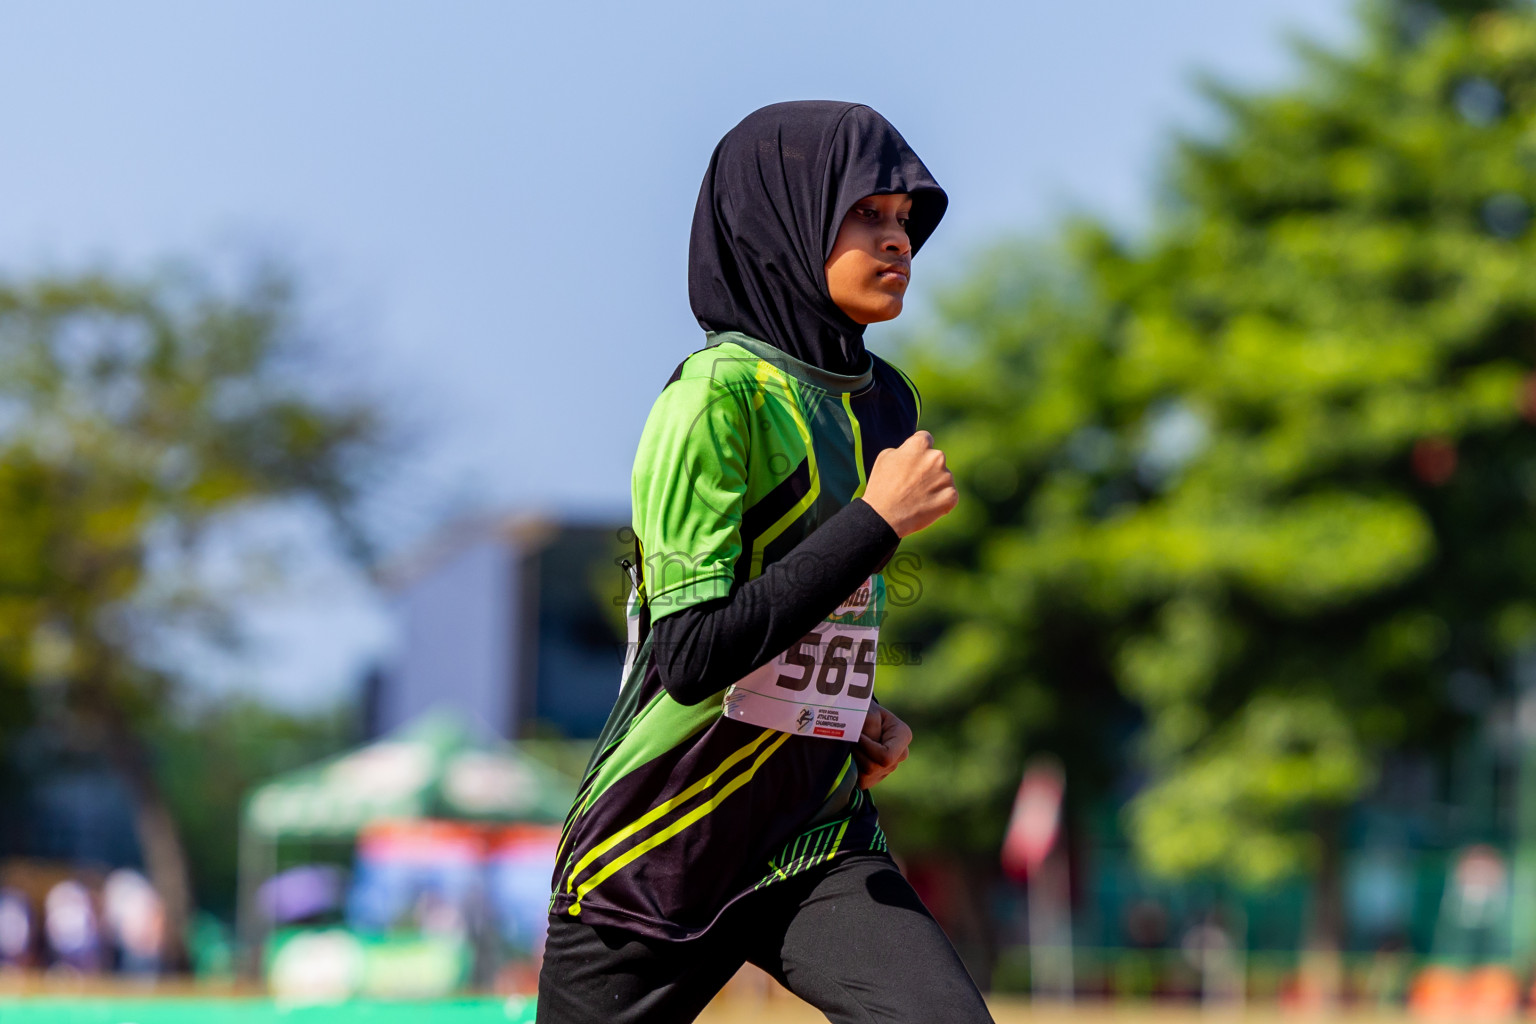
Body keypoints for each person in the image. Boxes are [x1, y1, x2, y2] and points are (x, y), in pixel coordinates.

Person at [536, 100, 994, 1024]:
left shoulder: (883, 405)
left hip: (811, 835)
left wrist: (850, 708)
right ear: (782, 219)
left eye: (906, 221)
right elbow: (694, 656)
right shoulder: (714, 399)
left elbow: (810, 611)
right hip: (658, 848)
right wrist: (875, 520)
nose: (898, 241)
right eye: (867, 214)